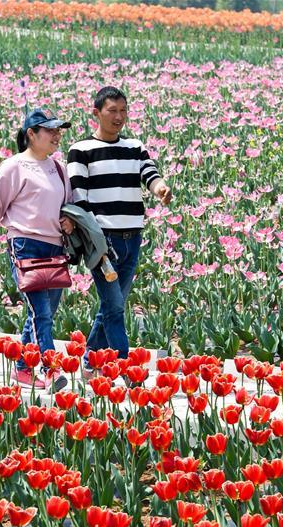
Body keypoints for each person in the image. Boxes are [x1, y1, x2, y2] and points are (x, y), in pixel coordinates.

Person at [0, 108, 74, 390]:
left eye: (59, 131)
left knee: (42, 313)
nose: (57, 136)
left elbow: (69, 204)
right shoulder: (13, 167)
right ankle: (51, 369)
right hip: (24, 244)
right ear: (31, 135)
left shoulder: (59, 168)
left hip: (55, 246)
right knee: (41, 314)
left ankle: (22, 369)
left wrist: (69, 220)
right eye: (51, 131)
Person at [67, 86, 172, 369]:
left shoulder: (134, 147)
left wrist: (160, 188)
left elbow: (150, 173)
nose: (119, 117)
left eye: (123, 110)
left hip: (133, 237)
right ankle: (126, 368)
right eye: (112, 111)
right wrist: (96, 244)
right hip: (104, 241)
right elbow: (80, 198)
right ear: (96, 113)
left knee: (112, 305)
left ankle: (90, 359)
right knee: (115, 307)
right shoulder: (80, 151)